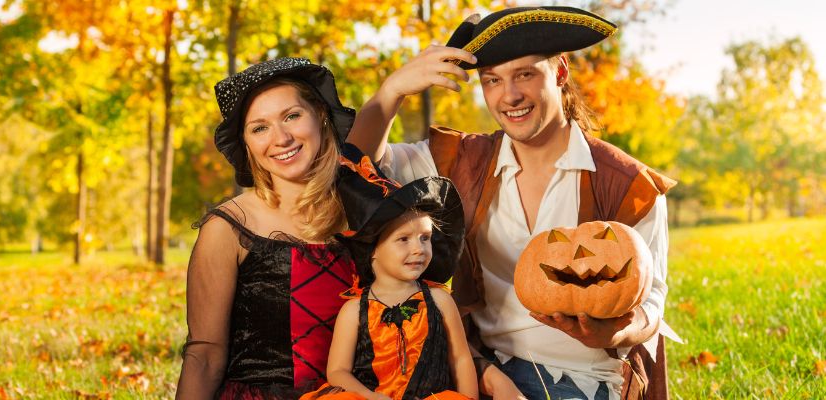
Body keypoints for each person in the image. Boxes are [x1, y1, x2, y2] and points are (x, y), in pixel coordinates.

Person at [346, 6, 677, 400]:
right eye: (492, 80)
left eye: (525, 74)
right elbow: (358, 169)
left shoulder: (626, 183)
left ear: (559, 72)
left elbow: (651, 300)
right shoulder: (461, 162)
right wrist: (392, 91)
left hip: (584, 379)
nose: (510, 95)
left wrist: (617, 330)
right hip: (480, 366)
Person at [176, 58, 360, 399]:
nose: (281, 138)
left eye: (291, 116)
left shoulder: (362, 213)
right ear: (246, 144)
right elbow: (204, 354)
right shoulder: (229, 227)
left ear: (320, 116)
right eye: (260, 128)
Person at [301, 146, 477, 400]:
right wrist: (370, 396)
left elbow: (460, 358)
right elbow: (338, 370)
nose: (419, 249)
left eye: (425, 238)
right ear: (372, 250)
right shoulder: (354, 310)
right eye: (403, 239)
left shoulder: (439, 301)